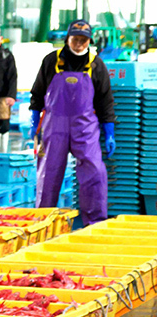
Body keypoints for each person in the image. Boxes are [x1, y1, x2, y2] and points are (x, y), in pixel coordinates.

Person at [29, 19, 114, 225]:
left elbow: (105, 100)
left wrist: (109, 131)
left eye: (84, 40)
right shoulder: (51, 61)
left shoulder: (96, 64)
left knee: (94, 170)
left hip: (84, 127)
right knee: (48, 173)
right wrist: (33, 120)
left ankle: (94, 224)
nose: (79, 44)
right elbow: (38, 93)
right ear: (68, 38)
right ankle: (43, 222)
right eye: (76, 39)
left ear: (89, 41)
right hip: (53, 125)